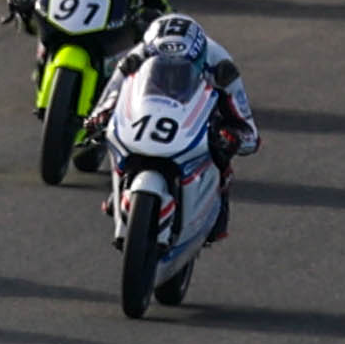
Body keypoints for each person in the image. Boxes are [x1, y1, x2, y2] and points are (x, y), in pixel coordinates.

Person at [76, 12, 260, 222]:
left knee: (221, 153)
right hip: (150, 107)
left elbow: (250, 133)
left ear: (199, 58)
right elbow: (111, 94)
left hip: (200, 115)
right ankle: (122, 186)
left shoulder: (222, 68)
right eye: (163, 65)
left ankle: (217, 209)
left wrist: (233, 137)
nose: (172, 73)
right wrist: (100, 116)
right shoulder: (138, 56)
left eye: (180, 67)